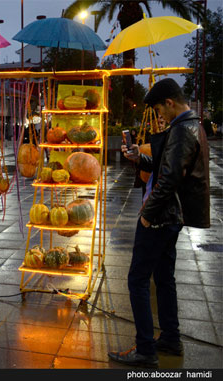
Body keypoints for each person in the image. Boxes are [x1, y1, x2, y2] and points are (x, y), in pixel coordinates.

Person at [108, 78, 210, 367]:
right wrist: (139, 157)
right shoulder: (191, 126)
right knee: (164, 278)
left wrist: (146, 215)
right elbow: (165, 167)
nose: (159, 117)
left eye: (158, 110)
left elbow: (168, 180)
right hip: (170, 217)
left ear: (169, 103)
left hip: (161, 216)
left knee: (137, 279)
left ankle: (145, 349)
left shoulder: (182, 129)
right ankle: (170, 338)